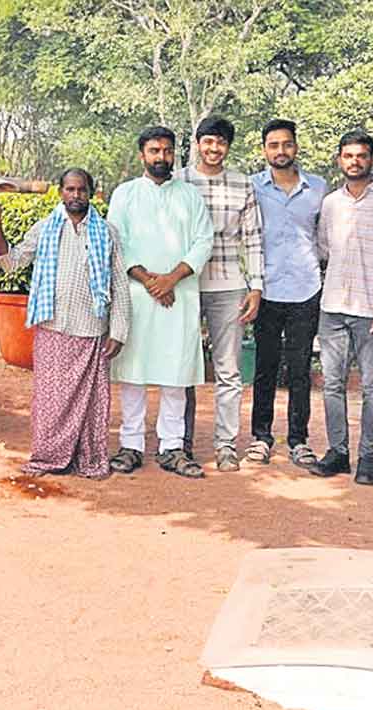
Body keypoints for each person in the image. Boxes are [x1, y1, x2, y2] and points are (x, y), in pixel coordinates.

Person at [0, 168, 130, 479]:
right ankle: (48, 457)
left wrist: (118, 331)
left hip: (92, 330)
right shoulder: (45, 229)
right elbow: (11, 263)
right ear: (60, 193)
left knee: (91, 403)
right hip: (52, 328)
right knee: (50, 401)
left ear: (91, 193)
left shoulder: (107, 232)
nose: (75, 195)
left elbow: (119, 284)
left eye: (81, 190)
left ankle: (89, 459)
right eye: (70, 189)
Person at [107, 126, 214, 478]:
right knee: (133, 374)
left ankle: (172, 448)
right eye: (154, 150)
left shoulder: (190, 195)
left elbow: (203, 241)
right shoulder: (125, 194)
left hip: (179, 296)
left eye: (167, 151)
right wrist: (150, 281)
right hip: (136, 296)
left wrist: (171, 279)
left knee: (175, 374)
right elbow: (116, 241)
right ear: (142, 154)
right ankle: (131, 445)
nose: (161, 157)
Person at [174, 117, 264, 472]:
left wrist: (256, 286)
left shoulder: (242, 184)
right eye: (208, 141)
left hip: (228, 285)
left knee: (228, 371)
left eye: (221, 143)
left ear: (228, 147)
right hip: (183, 284)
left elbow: (253, 238)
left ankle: (226, 445)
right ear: (197, 143)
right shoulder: (178, 180)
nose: (214, 149)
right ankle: (179, 443)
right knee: (182, 366)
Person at [310, 130, 373, 487]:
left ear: (372, 158)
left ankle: (368, 458)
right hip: (333, 308)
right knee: (332, 384)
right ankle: (338, 453)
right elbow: (324, 250)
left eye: (361, 155)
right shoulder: (330, 203)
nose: (354, 161)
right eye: (348, 156)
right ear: (339, 160)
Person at [247, 119, 326, 469]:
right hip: (265, 290)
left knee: (299, 370)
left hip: (306, 289)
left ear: (296, 147)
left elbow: (326, 238)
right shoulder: (252, 188)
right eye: (273, 145)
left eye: (287, 144)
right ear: (265, 150)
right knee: (264, 366)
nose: (281, 151)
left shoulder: (319, 188)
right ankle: (260, 437)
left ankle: (298, 440)